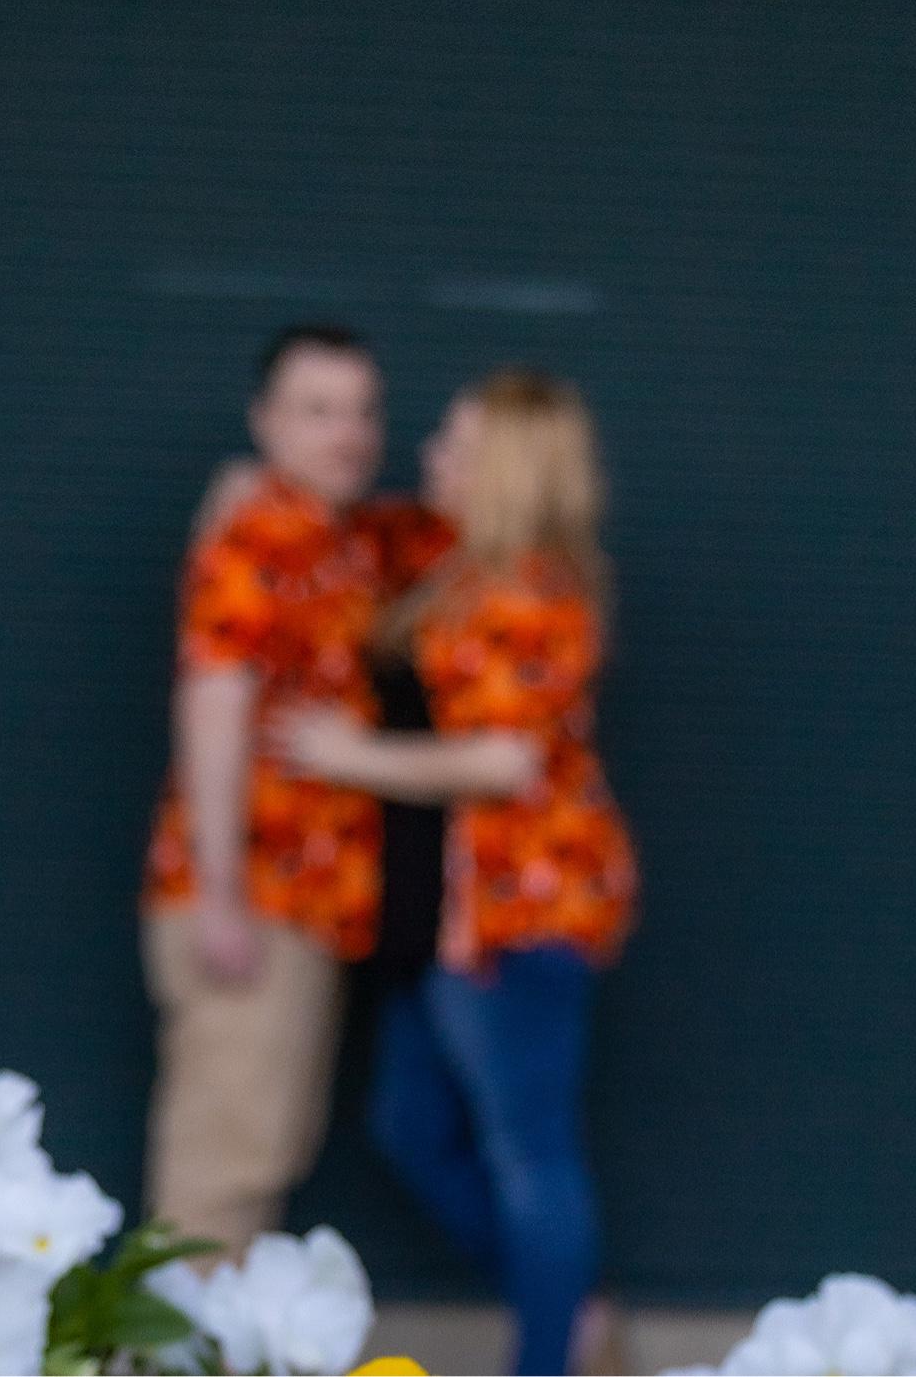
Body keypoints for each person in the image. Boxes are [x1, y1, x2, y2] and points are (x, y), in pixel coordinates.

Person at [273, 369, 638, 1376]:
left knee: (530, 1154)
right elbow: (352, 528)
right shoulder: (460, 568)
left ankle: (548, 1354)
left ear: (506, 468)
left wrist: (348, 755)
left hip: (521, 912)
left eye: (457, 445)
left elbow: (505, 760)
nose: (430, 456)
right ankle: (574, 1309)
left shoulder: (531, 589)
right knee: (412, 1127)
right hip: (451, 914)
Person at [140, 323, 391, 1256]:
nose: (348, 433)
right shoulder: (253, 541)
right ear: (265, 421)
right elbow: (213, 708)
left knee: (264, 1144)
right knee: (222, 1164)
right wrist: (221, 896)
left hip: (308, 897)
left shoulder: (341, 542)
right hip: (251, 891)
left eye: (362, 410)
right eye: (318, 410)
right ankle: (173, 1338)